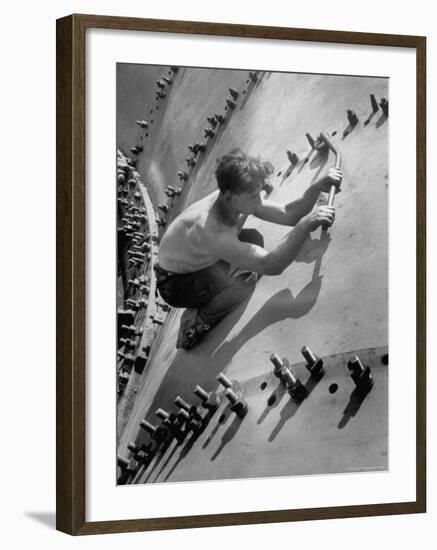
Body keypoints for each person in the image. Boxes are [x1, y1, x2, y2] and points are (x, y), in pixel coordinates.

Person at [155, 148, 342, 349]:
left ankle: (211, 292)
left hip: (194, 260)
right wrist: (305, 225)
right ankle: (195, 323)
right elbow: (270, 265)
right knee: (243, 284)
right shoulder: (213, 230)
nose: (259, 198)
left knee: (254, 239)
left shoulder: (234, 198)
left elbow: (287, 213)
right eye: (253, 195)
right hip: (176, 285)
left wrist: (315, 189)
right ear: (228, 197)